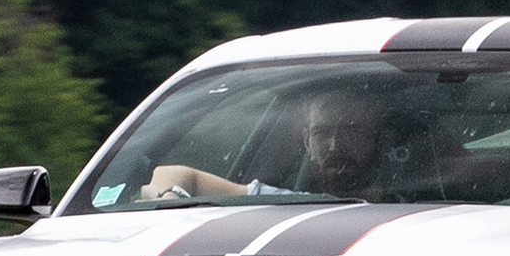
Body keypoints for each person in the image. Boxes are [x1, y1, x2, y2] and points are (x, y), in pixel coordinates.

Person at [142, 91, 385, 200]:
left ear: (382, 139)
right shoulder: (286, 204)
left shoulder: (415, 213)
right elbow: (172, 174)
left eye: (351, 131)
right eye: (322, 133)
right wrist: (168, 200)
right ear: (306, 142)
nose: (334, 146)